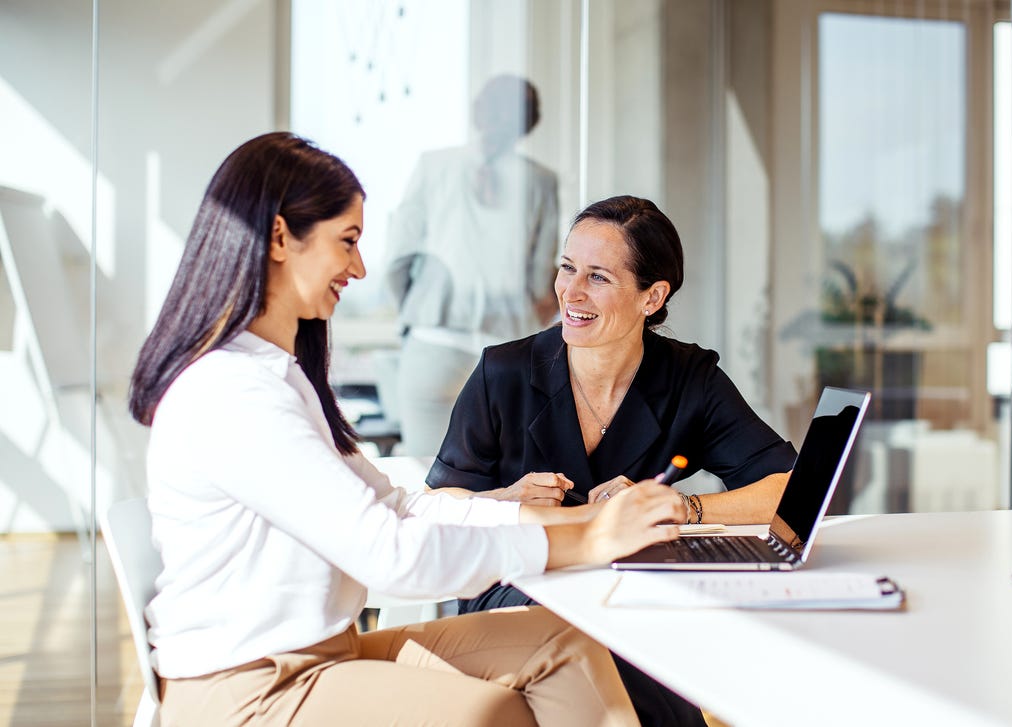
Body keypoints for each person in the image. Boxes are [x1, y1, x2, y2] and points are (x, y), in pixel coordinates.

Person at [127, 133, 684, 727]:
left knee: (564, 642)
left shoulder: (278, 378)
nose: (361, 267)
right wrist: (585, 542)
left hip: (322, 658)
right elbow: (389, 554)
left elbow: (397, 506)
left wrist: (583, 521)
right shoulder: (233, 393)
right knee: (491, 713)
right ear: (280, 237)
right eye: (348, 241)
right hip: (250, 687)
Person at [426, 194, 798, 725]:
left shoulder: (689, 378)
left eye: (598, 277)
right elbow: (439, 504)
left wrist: (677, 506)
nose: (570, 292)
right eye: (567, 268)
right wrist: (504, 500)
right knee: (608, 641)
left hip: (635, 588)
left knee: (643, 639)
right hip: (521, 586)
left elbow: (789, 487)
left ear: (653, 296)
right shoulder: (502, 373)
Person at [384, 74, 559, 455]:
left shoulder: (433, 167)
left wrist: (417, 307)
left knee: (427, 474)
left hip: (436, 337)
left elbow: (398, 256)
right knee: (510, 476)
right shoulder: (541, 182)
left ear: (478, 112)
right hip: (508, 345)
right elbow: (542, 278)